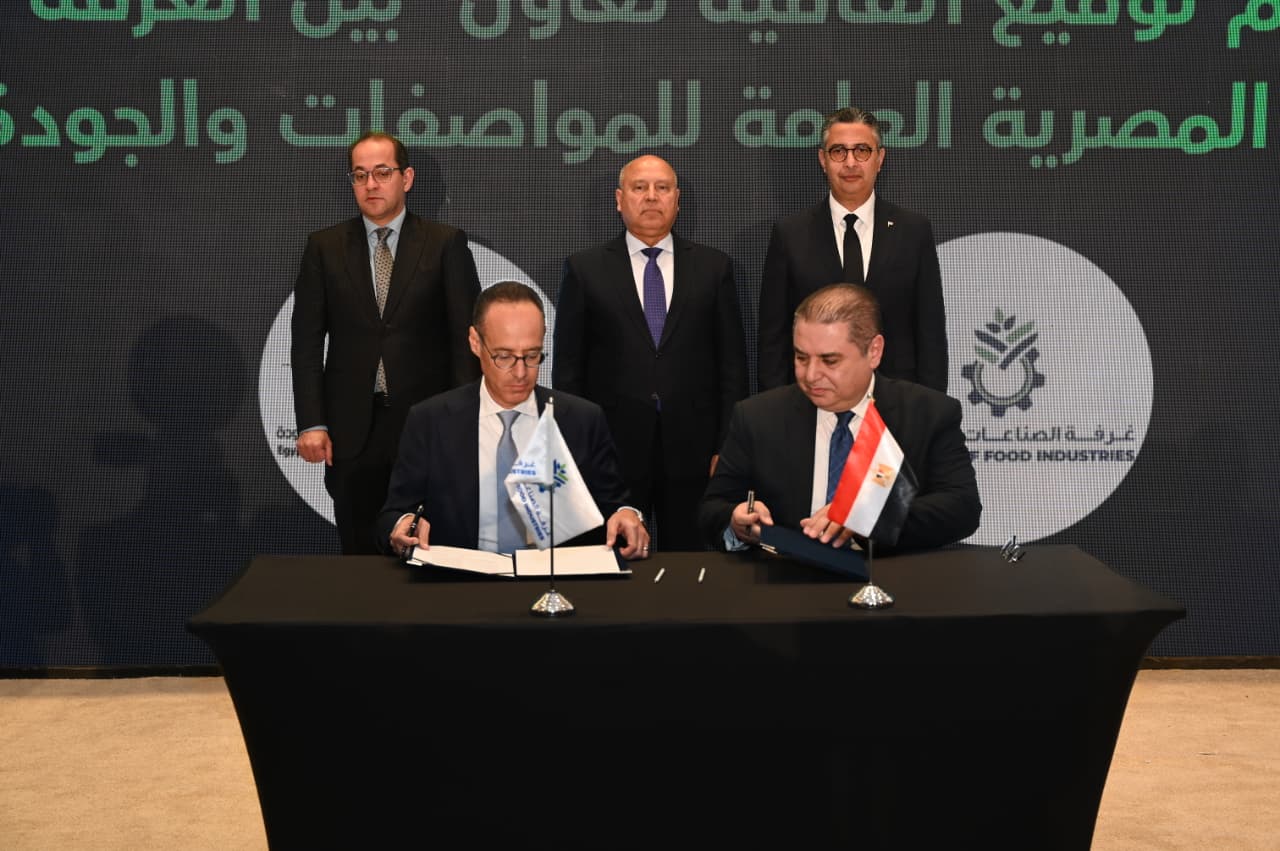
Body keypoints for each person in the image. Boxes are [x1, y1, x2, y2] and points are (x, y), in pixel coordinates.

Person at [291, 131, 481, 554]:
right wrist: (312, 422)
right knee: (358, 554)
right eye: (360, 175)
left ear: (406, 178)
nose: (371, 184)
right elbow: (306, 342)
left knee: (429, 551)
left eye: (382, 173)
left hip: (427, 426)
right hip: (351, 432)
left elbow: (465, 341)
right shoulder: (324, 247)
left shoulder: (445, 243)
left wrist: (464, 421)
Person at [554, 154, 748, 551]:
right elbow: (569, 371)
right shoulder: (585, 269)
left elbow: (732, 368)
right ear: (619, 199)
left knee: (692, 565)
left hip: (695, 451)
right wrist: (579, 447)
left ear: (677, 199)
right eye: (639, 187)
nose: (651, 197)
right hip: (612, 451)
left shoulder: (714, 268)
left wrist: (725, 448)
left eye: (662, 188)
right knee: (617, 559)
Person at [700, 283, 979, 554]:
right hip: (788, 576)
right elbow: (713, 509)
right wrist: (737, 521)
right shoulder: (757, 417)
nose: (811, 375)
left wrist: (865, 518)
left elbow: (962, 508)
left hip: (893, 575)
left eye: (829, 361)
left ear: (874, 351)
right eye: (801, 357)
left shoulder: (928, 414)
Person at [379, 282, 650, 560]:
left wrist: (627, 515)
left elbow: (614, 504)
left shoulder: (582, 420)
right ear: (475, 342)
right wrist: (403, 524)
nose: (521, 372)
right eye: (504, 356)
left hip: (556, 577)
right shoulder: (430, 421)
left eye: (532, 355)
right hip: (461, 577)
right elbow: (395, 512)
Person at [757, 107, 947, 393]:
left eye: (862, 151)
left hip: (896, 403)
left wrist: (929, 410)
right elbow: (773, 339)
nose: (850, 162)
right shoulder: (790, 235)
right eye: (838, 151)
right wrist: (778, 410)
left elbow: (930, 334)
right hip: (814, 400)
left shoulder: (913, 231)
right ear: (823, 160)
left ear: (879, 159)